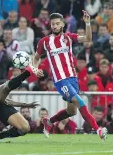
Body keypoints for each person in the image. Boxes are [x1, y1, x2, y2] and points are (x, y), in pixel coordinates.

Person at [33, 11, 107, 140]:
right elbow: (36, 57)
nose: (55, 26)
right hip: (60, 81)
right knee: (81, 102)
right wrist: (35, 69)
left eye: (57, 23)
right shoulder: (45, 42)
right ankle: (98, 130)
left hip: (73, 79)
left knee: (71, 111)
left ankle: (48, 122)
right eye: (52, 24)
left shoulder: (68, 37)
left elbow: (88, 39)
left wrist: (88, 23)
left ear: (62, 24)